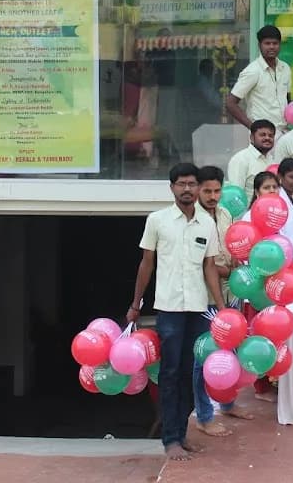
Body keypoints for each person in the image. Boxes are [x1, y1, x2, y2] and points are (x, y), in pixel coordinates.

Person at [126, 163, 225, 462]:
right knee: (169, 374)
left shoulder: (207, 224)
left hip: (198, 308)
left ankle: (181, 434)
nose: (187, 189)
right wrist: (135, 304)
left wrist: (221, 308)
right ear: (172, 188)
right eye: (181, 184)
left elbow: (210, 267)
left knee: (189, 374)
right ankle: (170, 439)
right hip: (168, 309)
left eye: (192, 184)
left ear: (198, 187)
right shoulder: (157, 221)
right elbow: (146, 264)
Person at [191, 166, 253, 435]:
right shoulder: (193, 221)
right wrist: (231, 272)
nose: (213, 196)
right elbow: (203, 266)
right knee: (203, 357)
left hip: (232, 294)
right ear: (197, 191)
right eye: (207, 191)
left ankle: (228, 403)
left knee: (232, 351)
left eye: (217, 190)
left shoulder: (226, 213)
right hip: (206, 300)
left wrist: (239, 264)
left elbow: (233, 248)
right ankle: (204, 416)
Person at [243, 170, 282, 402]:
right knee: (258, 337)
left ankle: (274, 380)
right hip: (256, 289)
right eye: (267, 188)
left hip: (276, 287)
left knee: (275, 334)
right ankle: (261, 387)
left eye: (275, 187)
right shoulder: (248, 219)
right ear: (257, 192)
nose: (272, 192)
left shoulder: (278, 216)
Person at [226, 25, 291, 130]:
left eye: (275, 43)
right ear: (259, 45)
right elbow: (230, 103)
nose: (271, 47)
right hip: (262, 136)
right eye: (267, 43)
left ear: (280, 45)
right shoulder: (253, 71)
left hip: (284, 132)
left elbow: (287, 99)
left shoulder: (285, 68)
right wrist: (253, 128)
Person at [225, 119, 276, 195]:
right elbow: (236, 194)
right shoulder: (241, 159)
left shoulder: (272, 160)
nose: (267, 138)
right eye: (262, 135)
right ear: (251, 138)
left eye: (271, 135)